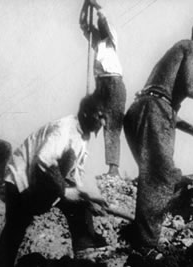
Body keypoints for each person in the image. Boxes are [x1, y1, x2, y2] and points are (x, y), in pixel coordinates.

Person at [123, 16, 193, 258]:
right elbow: (190, 87)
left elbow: (165, 102)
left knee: (158, 175)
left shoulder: (178, 52)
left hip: (146, 110)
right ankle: (146, 248)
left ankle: (142, 239)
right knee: (159, 177)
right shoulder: (191, 46)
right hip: (152, 111)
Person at [0, 95, 109, 267]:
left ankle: (85, 252)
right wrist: (65, 193)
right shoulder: (64, 129)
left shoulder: (83, 139)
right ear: (85, 113)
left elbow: (76, 176)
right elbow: (44, 161)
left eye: (105, 117)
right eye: (99, 116)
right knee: (16, 225)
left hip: (44, 181)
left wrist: (93, 198)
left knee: (79, 205)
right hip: (22, 178)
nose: (103, 122)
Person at [80, 0, 126, 177]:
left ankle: (113, 168)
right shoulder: (97, 43)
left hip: (114, 83)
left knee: (112, 124)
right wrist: (85, 5)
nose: (99, 26)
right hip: (101, 85)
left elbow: (105, 21)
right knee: (89, 118)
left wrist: (96, 6)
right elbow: (83, 24)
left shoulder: (112, 39)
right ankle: (79, 160)